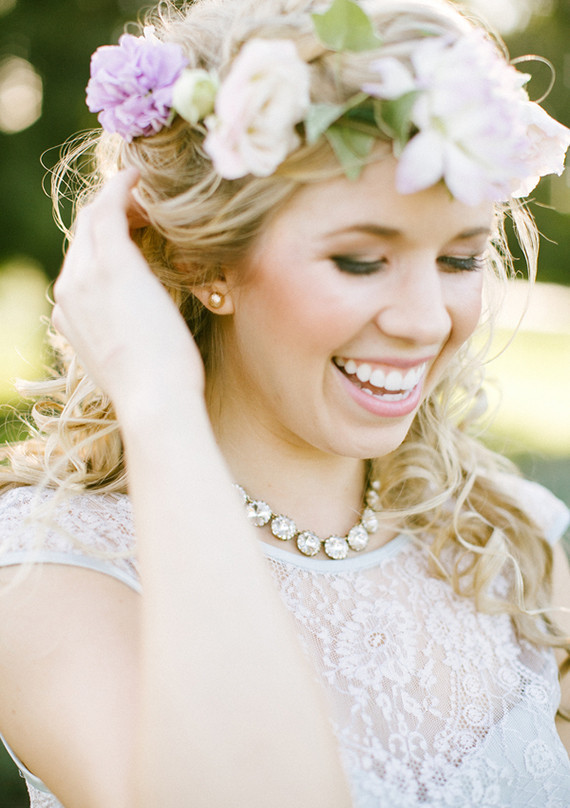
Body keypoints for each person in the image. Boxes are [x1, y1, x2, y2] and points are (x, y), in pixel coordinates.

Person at [0, 0, 569, 805]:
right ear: (203, 261)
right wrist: (157, 398)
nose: (425, 320)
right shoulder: (45, 574)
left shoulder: (513, 540)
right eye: (361, 261)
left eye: (460, 257)